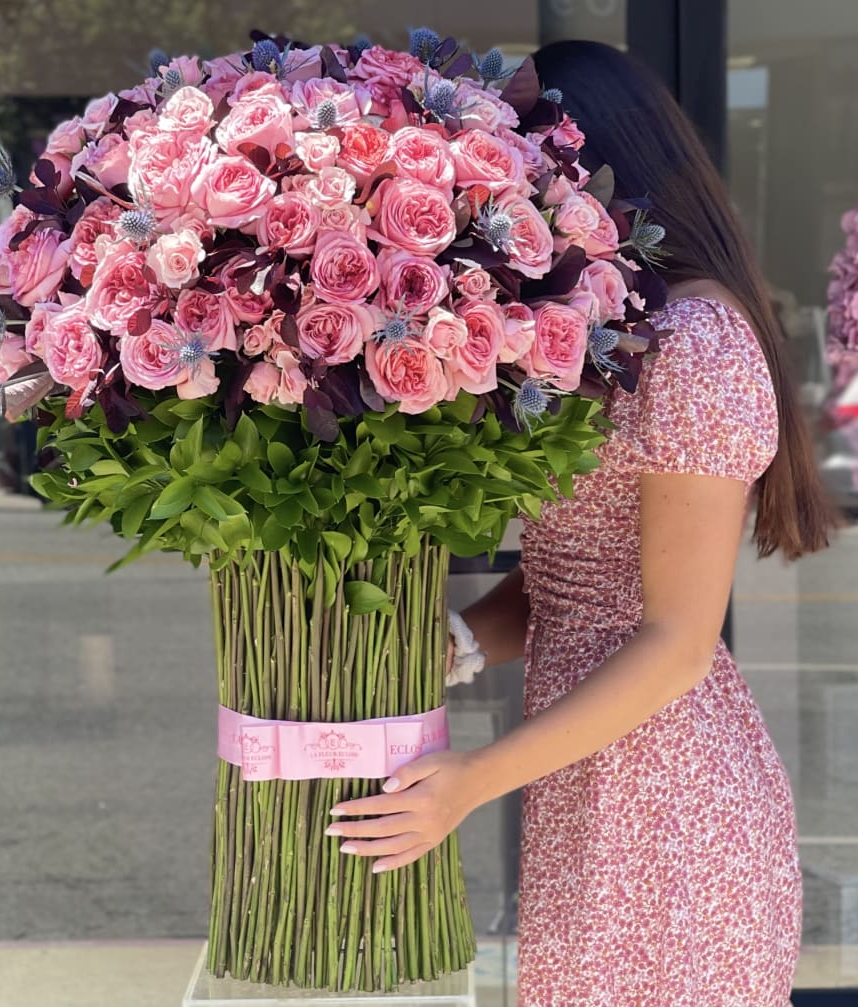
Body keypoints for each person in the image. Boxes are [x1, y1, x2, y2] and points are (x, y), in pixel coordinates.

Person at [326, 40, 839, 1006]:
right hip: (589, 782)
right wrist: (449, 645)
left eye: (522, 146)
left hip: (670, 807)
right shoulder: (611, 332)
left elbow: (677, 641)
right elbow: (570, 573)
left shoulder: (694, 343)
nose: (503, 175)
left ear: (599, 159)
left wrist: (469, 780)